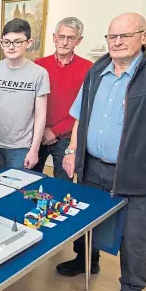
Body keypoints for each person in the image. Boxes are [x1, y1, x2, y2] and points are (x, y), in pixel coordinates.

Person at [58, 12, 146, 291]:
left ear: (144, 36)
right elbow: (80, 116)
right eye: (112, 36)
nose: (117, 42)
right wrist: (73, 149)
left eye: (125, 35)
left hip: (134, 174)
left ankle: (131, 288)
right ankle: (87, 261)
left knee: (133, 235)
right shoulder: (97, 70)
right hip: (92, 165)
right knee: (87, 220)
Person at [0, 18, 49, 175]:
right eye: (6, 42)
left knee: (18, 190)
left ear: (29, 42)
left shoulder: (39, 73)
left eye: (17, 42)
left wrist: (34, 150)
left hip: (21, 146)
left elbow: (40, 115)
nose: (11, 47)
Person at [33, 17, 92, 180]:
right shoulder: (38, 65)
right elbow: (30, 102)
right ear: (54, 37)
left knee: (63, 185)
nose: (65, 42)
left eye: (71, 38)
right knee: (30, 180)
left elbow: (85, 108)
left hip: (67, 139)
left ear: (78, 41)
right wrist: (42, 130)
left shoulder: (88, 68)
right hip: (38, 135)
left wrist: (54, 131)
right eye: (61, 37)